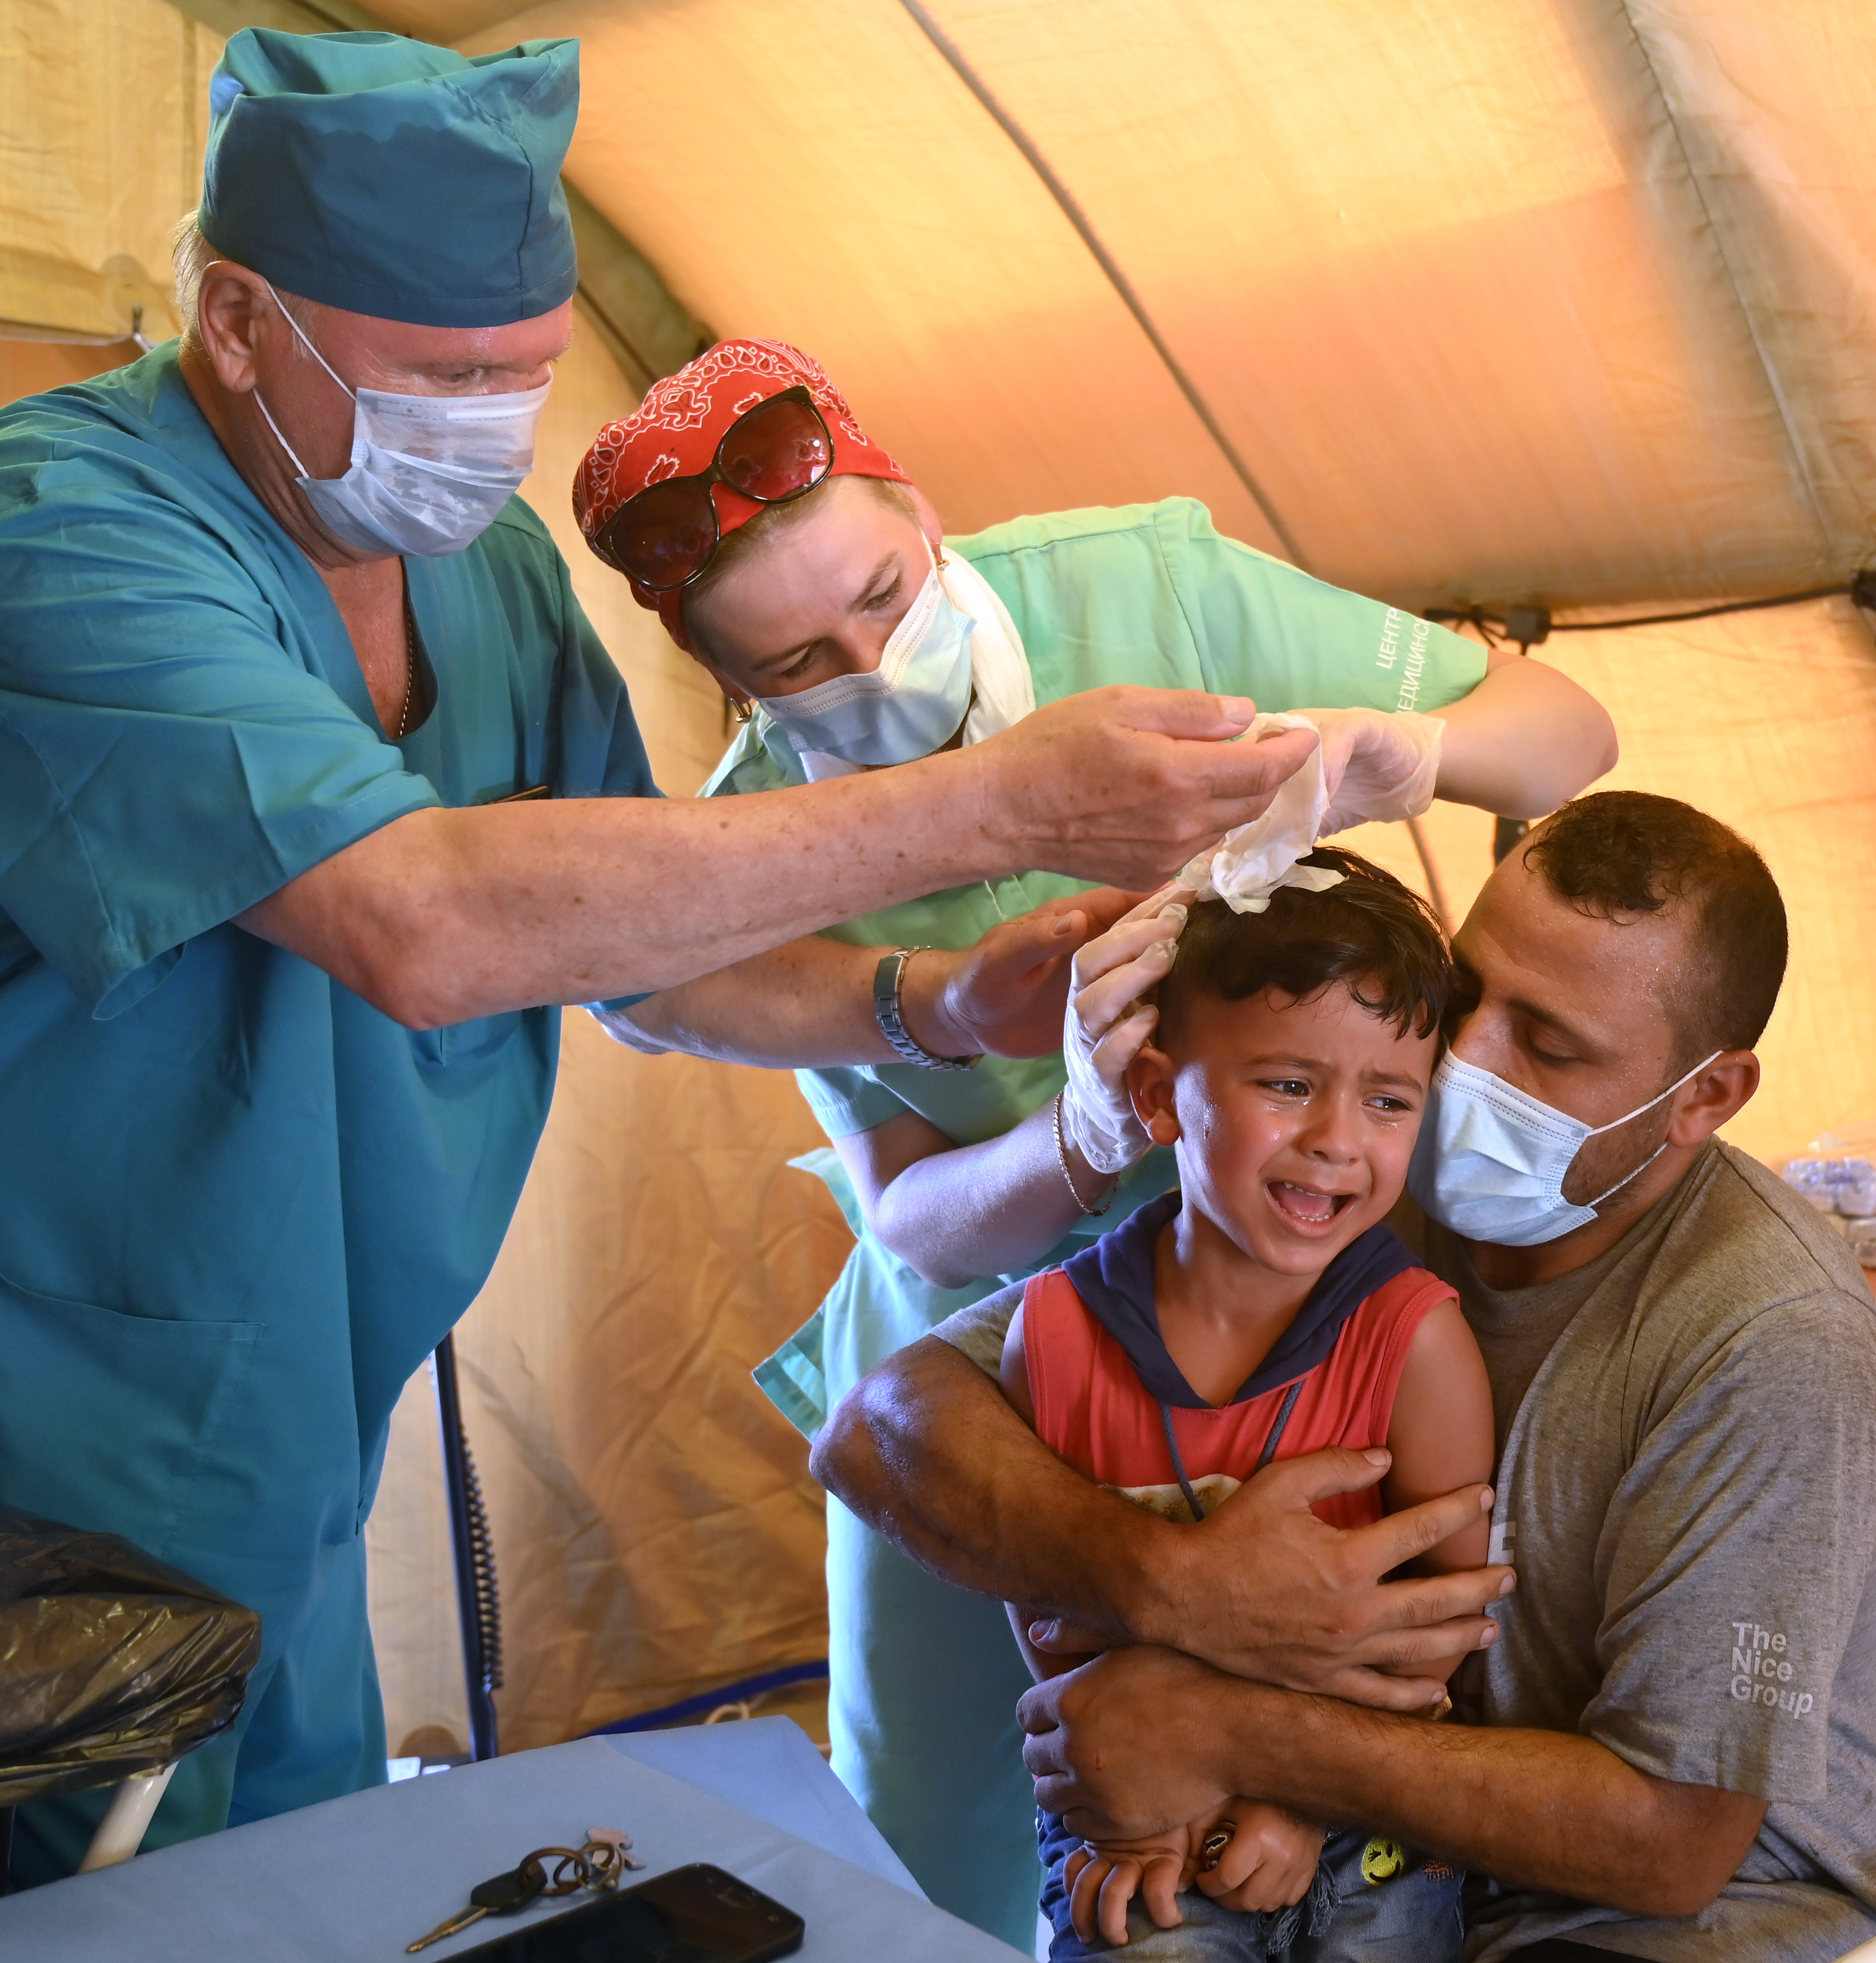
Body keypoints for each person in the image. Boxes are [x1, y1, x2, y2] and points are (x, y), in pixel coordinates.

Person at [0, 28, 1310, 1875]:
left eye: (528, 375)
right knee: (18, 1890)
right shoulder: (47, 532)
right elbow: (426, 919)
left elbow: (632, 934)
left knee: (282, 1871)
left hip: (283, 1387)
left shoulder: (472, 563)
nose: (489, 428)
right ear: (237, 322)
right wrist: (999, 804)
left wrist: (924, 996)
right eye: (439, 376)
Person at [575, 337, 1616, 1939]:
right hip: (993, 1346)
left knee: (1322, 1789)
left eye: (882, 593)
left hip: (1281, 1294)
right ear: (727, 681)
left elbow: (1564, 738)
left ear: (920, 509)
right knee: (949, 1852)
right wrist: (1070, 1139)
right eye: (793, 667)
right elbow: (908, 1216)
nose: (865, 663)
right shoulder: (753, 847)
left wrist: (1382, 747)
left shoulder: (1149, 594)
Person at [820, 793, 1876, 1961]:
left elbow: (1674, 1843)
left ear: (1703, 1096)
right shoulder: (1335, 1184)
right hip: (1372, 1854)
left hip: (1686, 1916)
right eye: (1474, 995)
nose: (1468, 1064)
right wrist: (1169, 1584)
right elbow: (884, 1426)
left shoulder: (1771, 1334)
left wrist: (1230, 1732)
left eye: (1549, 1047)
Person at [1005, 848, 1487, 1959]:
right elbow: (1045, 1605)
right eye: (1287, 1082)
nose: (1337, 1136)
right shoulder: (1057, 1334)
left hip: (1360, 1818)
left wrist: (1306, 1797)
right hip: (1142, 1814)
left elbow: (1447, 1626)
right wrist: (1139, 1792)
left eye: (1387, 1099)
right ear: (1156, 1094)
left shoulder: (1418, 1342)